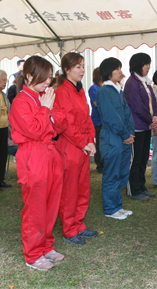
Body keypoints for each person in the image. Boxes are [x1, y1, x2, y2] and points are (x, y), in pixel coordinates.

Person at [9, 56, 67, 271]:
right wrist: (45, 110)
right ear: (29, 76)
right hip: (33, 155)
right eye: (44, 78)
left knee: (51, 203)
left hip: (50, 153)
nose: (48, 82)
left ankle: (46, 245)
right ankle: (33, 253)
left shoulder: (46, 97)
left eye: (51, 78)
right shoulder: (21, 101)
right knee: (35, 206)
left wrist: (48, 110)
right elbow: (33, 130)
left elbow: (61, 123)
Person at [54, 52, 98, 246]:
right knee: (69, 190)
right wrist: (83, 142)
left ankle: (78, 223)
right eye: (77, 67)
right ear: (67, 70)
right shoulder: (62, 92)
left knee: (82, 187)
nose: (82, 70)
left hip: (83, 146)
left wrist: (90, 140)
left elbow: (87, 118)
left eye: (83, 66)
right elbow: (67, 125)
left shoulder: (80, 90)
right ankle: (69, 228)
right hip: (69, 147)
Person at [96, 57, 135, 220]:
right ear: (108, 72)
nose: (121, 71)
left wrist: (130, 134)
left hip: (124, 138)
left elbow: (127, 114)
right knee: (112, 174)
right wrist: (126, 135)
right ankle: (110, 208)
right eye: (117, 68)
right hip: (112, 138)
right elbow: (112, 117)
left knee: (121, 173)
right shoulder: (104, 91)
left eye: (120, 68)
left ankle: (117, 206)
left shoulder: (119, 90)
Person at [124, 53, 157, 201]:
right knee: (136, 159)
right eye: (146, 64)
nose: (148, 67)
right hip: (137, 126)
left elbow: (153, 102)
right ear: (138, 65)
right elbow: (138, 106)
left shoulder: (145, 82)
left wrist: (155, 117)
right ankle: (134, 189)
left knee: (144, 158)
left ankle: (142, 186)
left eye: (149, 63)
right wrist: (151, 120)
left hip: (146, 126)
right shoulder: (132, 83)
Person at [88, 67, 104, 173]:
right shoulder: (94, 88)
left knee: (104, 143)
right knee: (99, 143)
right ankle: (100, 165)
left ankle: (104, 163)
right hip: (98, 121)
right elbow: (97, 104)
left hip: (104, 121)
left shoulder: (103, 87)